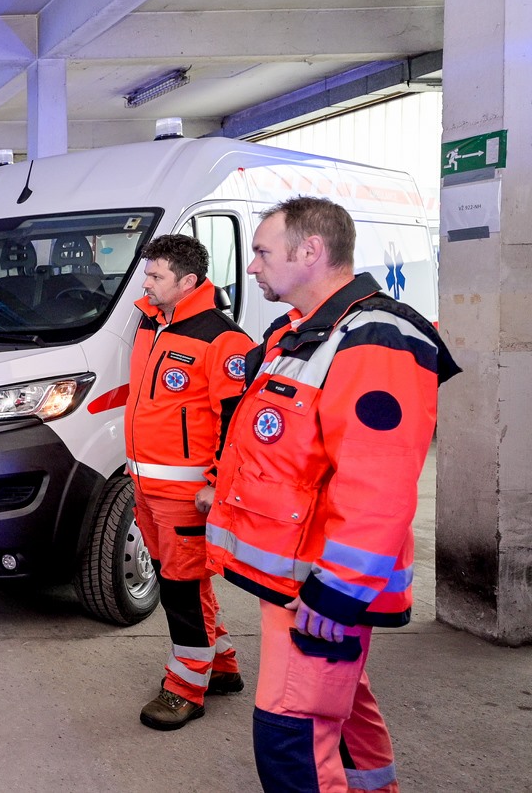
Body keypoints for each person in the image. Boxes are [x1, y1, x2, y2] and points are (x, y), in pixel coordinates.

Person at [204, 197, 457, 792]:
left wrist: (338, 591)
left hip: (320, 587)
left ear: (310, 250)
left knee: (291, 737)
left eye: (262, 251)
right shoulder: (298, 333)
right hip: (295, 578)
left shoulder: (376, 339)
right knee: (344, 713)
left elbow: (379, 486)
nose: (252, 266)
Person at [124, 234, 254, 731]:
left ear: (188, 281)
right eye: (147, 274)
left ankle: (185, 690)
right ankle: (221, 665)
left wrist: (217, 483)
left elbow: (236, 420)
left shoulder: (223, 339)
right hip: (147, 484)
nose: (146, 283)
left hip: (187, 494)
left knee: (180, 592)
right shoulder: (150, 322)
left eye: (156, 276)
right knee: (183, 583)